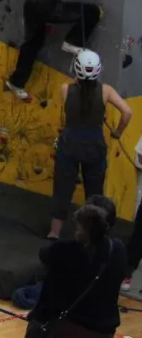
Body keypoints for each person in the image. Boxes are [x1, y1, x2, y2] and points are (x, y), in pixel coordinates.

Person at [48, 50, 132, 239]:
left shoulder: (65, 89)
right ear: (98, 70)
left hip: (69, 143)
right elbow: (127, 112)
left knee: (62, 189)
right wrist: (117, 132)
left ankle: (54, 233)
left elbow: (74, 108)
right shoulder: (106, 91)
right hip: (94, 145)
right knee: (94, 195)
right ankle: (91, 236)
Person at [29, 204, 126, 338]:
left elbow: (44, 255)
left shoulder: (66, 250)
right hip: (105, 330)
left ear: (81, 228)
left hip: (72, 326)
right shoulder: (118, 248)